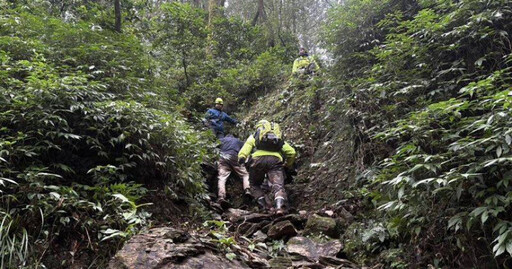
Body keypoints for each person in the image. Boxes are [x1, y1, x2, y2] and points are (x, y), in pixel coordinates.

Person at [238, 120, 296, 215]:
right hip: (275, 161)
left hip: (257, 161)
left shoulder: (255, 136)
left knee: (255, 185)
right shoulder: (277, 138)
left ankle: (265, 207)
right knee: (278, 185)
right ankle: (279, 208)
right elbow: (292, 152)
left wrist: (242, 157)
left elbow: (245, 148)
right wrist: (288, 165)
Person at [217, 134, 250, 208]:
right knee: (245, 174)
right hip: (234, 156)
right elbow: (245, 150)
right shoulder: (238, 141)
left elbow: (215, 147)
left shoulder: (222, 140)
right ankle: (247, 189)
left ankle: (221, 196)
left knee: (222, 177)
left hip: (223, 157)